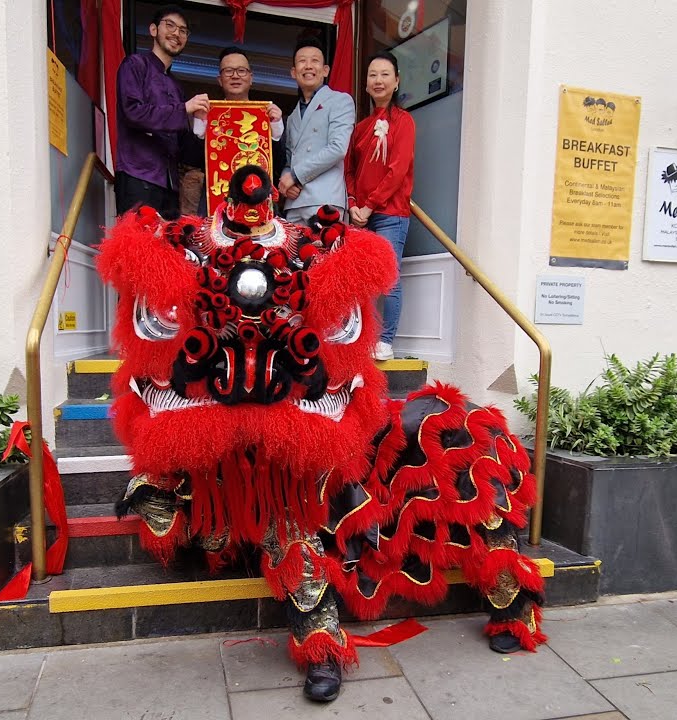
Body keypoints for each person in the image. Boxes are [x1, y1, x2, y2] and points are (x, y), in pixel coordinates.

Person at [100, 164, 547, 705]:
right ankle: (316, 633)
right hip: (218, 436)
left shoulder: (309, 246)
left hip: (297, 436)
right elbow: (156, 352)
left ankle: (325, 640)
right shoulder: (188, 242)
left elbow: (339, 351)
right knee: (186, 492)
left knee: (431, 449)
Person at [345, 51, 416, 362]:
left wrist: (370, 206)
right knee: (359, 282)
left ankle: (386, 340)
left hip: (390, 214)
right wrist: (352, 204)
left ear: (396, 81)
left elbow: (397, 170)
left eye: (385, 74)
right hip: (360, 216)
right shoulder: (360, 127)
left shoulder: (405, 121)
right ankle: (361, 340)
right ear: (365, 84)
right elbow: (349, 170)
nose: (378, 80)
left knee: (389, 279)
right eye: (373, 74)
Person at [114, 4, 209, 219]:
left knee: (165, 249)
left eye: (183, 30)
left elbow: (183, 144)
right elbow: (133, 112)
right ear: (153, 29)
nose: (176, 33)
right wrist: (183, 109)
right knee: (136, 247)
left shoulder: (176, 86)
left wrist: (202, 127)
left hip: (170, 184)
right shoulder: (135, 65)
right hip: (138, 174)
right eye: (170, 25)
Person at [186, 47, 286, 212]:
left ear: (251, 78)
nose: (235, 76)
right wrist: (199, 124)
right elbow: (192, 161)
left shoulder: (268, 115)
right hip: (218, 203)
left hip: (258, 205)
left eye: (241, 71)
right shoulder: (208, 113)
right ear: (220, 79)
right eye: (228, 71)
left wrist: (275, 127)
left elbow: (278, 166)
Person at [278, 38, 354, 225]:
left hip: (325, 199)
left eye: (315, 61)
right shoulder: (293, 115)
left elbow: (337, 148)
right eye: (302, 61)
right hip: (295, 201)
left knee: (326, 253)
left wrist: (295, 176)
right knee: (294, 254)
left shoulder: (340, 101)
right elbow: (290, 158)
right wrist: (285, 181)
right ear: (294, 72)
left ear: (325, 70)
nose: (308, 66)